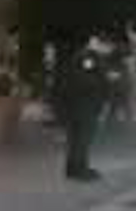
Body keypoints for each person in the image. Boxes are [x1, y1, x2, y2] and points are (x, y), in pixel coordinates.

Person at [53, 35, 124, 182]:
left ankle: (73, 168)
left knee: (78, 138)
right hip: (84, 104)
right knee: (83, 138)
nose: (108, 49)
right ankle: (80, 169)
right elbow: (82, 79)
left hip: (83, 104)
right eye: (105, 45)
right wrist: (106, 79)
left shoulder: (90, 57)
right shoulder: (88, 58)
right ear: (95, 43)